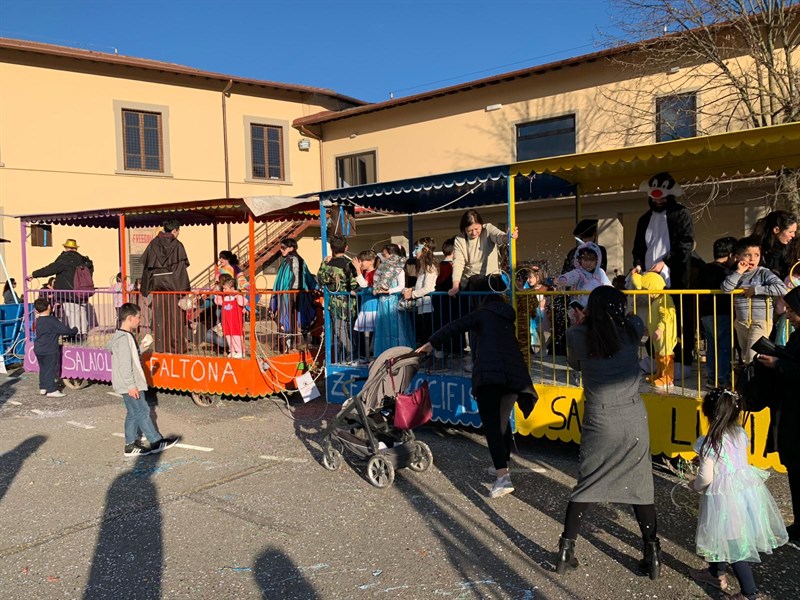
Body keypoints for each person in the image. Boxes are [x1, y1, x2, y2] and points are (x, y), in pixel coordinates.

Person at [556, 286, 660, 579]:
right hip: (632, 416)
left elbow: (574, 364)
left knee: (587, 483)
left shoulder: (578, 335)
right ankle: (652, 553)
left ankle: (566, 550)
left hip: (599, 417)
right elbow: (631, 319)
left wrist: (582, 322)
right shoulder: (633, 329)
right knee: (641, 486)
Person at [416, 294, 536, 499]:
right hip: (514, 377)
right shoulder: (507, 319)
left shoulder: (482, 314)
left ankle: (502, 477)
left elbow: (455, 326)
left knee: (492, 426)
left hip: (490, 377)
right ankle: (503, 464)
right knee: (502, 423)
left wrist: (431, 343)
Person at [688, 388, 788, 600]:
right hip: (745, 493)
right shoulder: (740, 434)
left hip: (724, 498)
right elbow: (730, 461)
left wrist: (693, 485)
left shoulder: (709, 443)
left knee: (733, 545)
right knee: (719, 536)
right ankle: (716, 572)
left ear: (707, 413)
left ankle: (749, 593)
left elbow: (705, 479)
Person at [632, 172, 695, 365]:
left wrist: (666, 262)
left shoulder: (682, 214)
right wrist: (638, 264)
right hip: (651, 279)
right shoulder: (644, 219)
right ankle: (655, 357)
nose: (658, 202)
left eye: (661, 199)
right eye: (654, 199)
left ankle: (680, 360)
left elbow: (686, 243)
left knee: (677, 318)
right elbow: (638, 247)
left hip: (675, 276)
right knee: (654, 318)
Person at [756, 286, 800, 544]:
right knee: (794, 470)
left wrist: (780, 364)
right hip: (791, 411)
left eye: (793, 311)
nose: (790, 316)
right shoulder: (796, 336)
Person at [110, 303, 180, 457]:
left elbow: (130, 356)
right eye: (137, 317)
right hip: (130, 383)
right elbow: (124, 364)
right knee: (142, 410)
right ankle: (156, 441)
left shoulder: (123, 336)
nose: (139, 321)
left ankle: (130, 445)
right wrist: (131, 385)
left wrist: (141, 347)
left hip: (128, 383)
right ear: (129, 318)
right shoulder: (124, 338)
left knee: (133, 412)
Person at [721, 236, 787, 364]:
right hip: (741, 321)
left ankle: (756, 382)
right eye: (747, 255)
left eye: (756, 255)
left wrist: (756, 290)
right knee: (745, 356)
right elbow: (725, 288)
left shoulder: (763, 273)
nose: (752, 259)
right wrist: (739, 272)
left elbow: (781, 288)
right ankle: (751, 381)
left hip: (760, 321)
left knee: (753, 356)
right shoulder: (735, 274)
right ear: (738, 256)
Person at [139, 220, 190, 354]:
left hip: (157, 290)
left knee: (160, 320)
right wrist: (183, 292)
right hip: (174, 289)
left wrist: (146, 288)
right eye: (178, 231)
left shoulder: (153, 244)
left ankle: (161, 348)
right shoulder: (178, 246)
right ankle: (177, 349)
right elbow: (180, 270)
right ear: (174, 231)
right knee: (176, 320)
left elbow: (147, 269)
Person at [30, 238, 94, 338]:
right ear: (75, 248)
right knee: (82, 310)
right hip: (83, 291)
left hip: (69, 292)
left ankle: (76, 334)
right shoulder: (83, 260)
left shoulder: (65, 258)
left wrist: (34, 274)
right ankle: (84, 332)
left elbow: (50, 269)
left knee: (72, 313)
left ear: (65, 247)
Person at [448, 209, 518, 297]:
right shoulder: (459, 239)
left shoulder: (488, 229)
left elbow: (498, 236)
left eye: (476, 229)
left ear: (481, 224)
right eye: (469, 230)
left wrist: (507, 237)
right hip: (471, 283)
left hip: (492, 280)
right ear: (464, 229)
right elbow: (458, 263)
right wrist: (455, 285)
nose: (474, 233)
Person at [698, 237, 737, 386]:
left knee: (712, 346)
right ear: (730, 254)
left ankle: (711, 376)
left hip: (706, 315)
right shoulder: (725, 273)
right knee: (724, 347)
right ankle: (721, 378)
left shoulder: (704, 269)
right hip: (722, 313)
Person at [630, 269, 677, 388]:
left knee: (665, 354)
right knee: (658, 354)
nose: (646, 293)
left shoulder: (665, 298)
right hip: (658, 335)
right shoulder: (656, 300)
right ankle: (660, 374)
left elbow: (667, 315)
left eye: (647, 290)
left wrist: (660, 329)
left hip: (665, 334)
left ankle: (668, 377)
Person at [317, 235, 359, 363]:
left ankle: (350, 354)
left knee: (339, 330)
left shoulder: (328, 266)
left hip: (335, 303)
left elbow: (320, 280)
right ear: (346, 248)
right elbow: (355, 284)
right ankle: (350, 355)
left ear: (331, 248)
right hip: (351, 303)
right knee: (349, 330)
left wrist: (324, 263)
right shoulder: (351, 265)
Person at [271, 237, 316, 352]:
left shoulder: (294, 260)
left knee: (289, 319)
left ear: (291, 248)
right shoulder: (289, 260)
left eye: (283, 248)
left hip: (291, 295)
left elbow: (299, 277)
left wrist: (291, 291)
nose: (281, 250)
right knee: (289, 319)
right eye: (281, 248)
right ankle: (289, 344)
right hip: (289, 294)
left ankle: (291, 345)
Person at [555, 242, 611, 324]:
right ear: (580, 261)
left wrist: (611, 293)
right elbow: (570, 277)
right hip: (581, 310)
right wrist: (561, 280)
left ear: (597, 261)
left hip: (596, 309)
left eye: (592, 260)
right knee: (581, 331)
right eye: (585, 260)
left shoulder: (600, 272)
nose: (588, 263)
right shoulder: (579, 272)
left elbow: (607, 285)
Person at [373, 243, 413, 356]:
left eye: (385, 255)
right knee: (384, 329)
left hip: (393, 301)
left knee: (397, 327)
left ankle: (400, 352)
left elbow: (401, 286)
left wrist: (388, 291)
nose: (383, 258)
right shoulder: (382, 270)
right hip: (383, 302)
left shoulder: (399, 270)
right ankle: (385, 352)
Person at [33, 297, 76, 398]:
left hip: (39, 348)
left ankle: (43, 387)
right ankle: (51, 389)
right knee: (49, 369)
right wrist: (74, 330)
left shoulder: (39, 320)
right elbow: (64, 330)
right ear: (49, 307)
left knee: (43, 368)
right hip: (49, 349)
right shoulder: (51, 320)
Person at [402, 237, 438, 347]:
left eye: (417, 248)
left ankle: (432, 356)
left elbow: (427, 288)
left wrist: (412, 294)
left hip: (428, 304)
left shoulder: (430, 267)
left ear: (425, 249)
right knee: (423, 332)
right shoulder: (423, 266)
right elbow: (421, 285)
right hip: (422, 304)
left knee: (428, 332)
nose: (414, 252)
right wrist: (411, 289)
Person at [752, 210, 797, 280]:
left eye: (794, 232)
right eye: (790, 232)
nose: (793, 235)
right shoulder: (756, 247)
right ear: (776, 230)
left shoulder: (792, 248)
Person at [353, 249, 379, 363]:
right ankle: (364, 355)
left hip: (373, 306)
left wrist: (358, 270)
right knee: (362, 331)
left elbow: (366, 286)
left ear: (371, 261)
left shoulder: (376, 273)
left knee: (373, 333)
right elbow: (362, 286)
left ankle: (374, 355)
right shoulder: (364, 273)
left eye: (363, 261)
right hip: (365, 306)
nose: (361, 263)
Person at [214, 274, 246, 358]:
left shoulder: (236, 297)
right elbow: (217, 301)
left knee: (236, 336)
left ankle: (240, 351)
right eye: (223, 288)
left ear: (232, 289)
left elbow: (244, 302)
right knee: (228, 336)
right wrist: (217, 292)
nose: (223, 290)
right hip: (226, 322)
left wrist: (238, 294)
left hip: (235, 322)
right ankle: (232, 350)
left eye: (225, 289)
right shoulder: (224, 298)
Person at [522, 264, 551, 355]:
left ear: (538, 277)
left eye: (530, 277)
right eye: (527, 278)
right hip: (533, 316)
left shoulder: (546, 288)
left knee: (544, 331)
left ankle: (544, 348)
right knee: (533, 333)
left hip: (544, 315)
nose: (528, 280)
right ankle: (536, 350)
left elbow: (551, 300)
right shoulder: (527, 289)